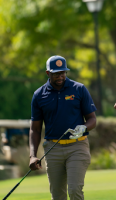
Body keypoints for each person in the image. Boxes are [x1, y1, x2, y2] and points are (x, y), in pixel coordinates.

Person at [29, 55, 97, 200]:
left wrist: (83, 128)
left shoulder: (79, 89)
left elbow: (92, 119)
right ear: (48, 73)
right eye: (56, 73)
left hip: (77, 147)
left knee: (74, 190)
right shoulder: (39, 95)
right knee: (57, 195)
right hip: (53, 149)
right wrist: (33, 155)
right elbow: (35, 129)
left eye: (63, 73)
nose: (60, 76)